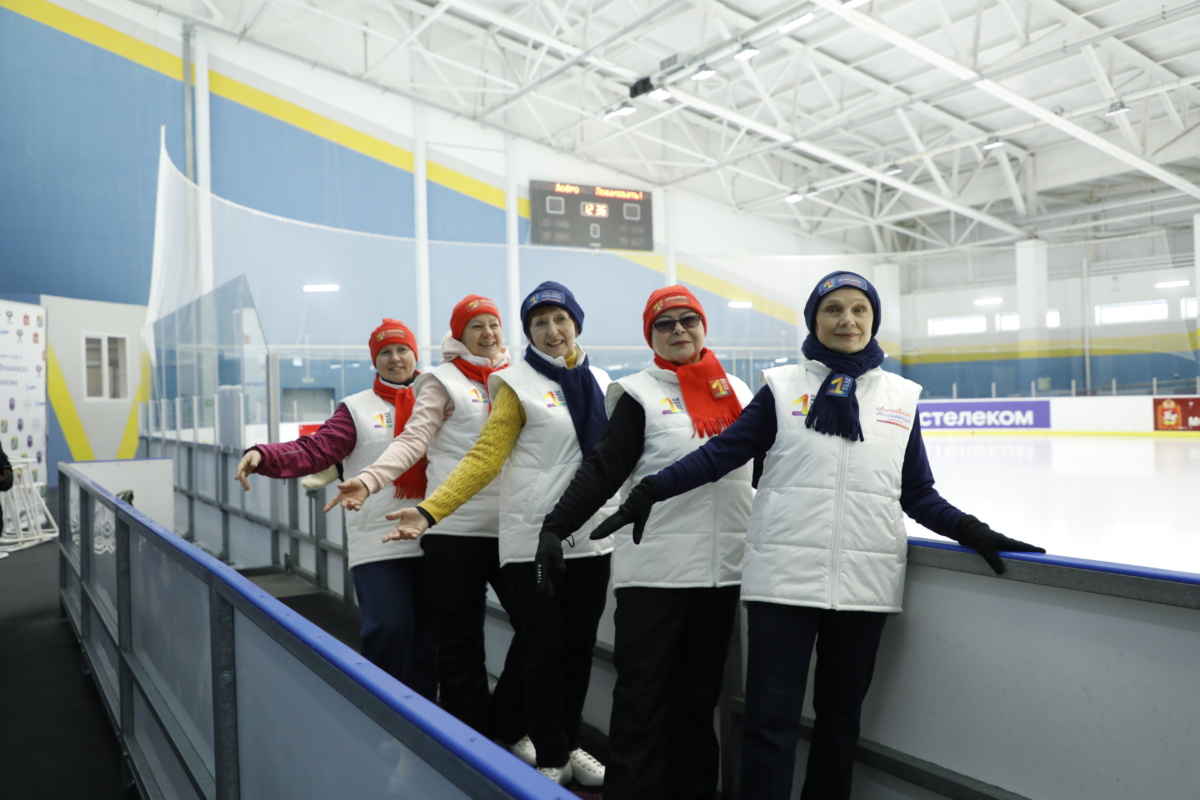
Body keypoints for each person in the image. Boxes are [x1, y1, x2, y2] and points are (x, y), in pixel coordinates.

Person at [591, 271, 1046, 800]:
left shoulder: (901, 397)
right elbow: (721, 454)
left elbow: (917, 492)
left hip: (864, 583)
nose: (847, 320)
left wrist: (972, 530)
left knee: (840, 724)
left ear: (873, 319)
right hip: (782, 584)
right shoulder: (783, 387)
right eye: (833, 310)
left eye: (859, 309)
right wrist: (651, 490)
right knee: (770, 722)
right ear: (814, 320)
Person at [385, 281, 612, 788]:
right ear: (528, 332)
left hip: (591, 535)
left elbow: (616, 457)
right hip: (533, 536)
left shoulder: (599, 379)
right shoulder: (513, 383)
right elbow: (484, 457)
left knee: (579, 648)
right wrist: (430, 511)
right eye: (539, 323)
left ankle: (569, 741)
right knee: (541, 647)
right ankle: (550, 751)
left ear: (576, 323)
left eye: (560, 319)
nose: (552, 331)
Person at [538, 285, 755, 800]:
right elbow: (604, 469)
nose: (678, 329)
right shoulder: (638, 394)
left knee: (698, 701)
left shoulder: (738, 392)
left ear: (703, 326)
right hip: (655, 574)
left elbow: (768, 470)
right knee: (643, 701)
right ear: (651, 335)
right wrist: (555, 526)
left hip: (722, 572)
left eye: (687, 319)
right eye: (665, 323)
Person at [321, 296, 527, 754]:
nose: (487, 333)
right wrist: (369, 480)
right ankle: (464, 736)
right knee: (450, 637)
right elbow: (411, 440)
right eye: (476, 326)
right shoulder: (441, 381)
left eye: (493, 324)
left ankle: (508, 722)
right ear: (459, 334)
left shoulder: (516, 378)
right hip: (452, 528)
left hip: (512, 525)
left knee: (537, 626)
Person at [233, 319, 437, 701]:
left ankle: (427, 718)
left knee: (431, 637)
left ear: (415, 354)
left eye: (402, 349)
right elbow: (315, 449)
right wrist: (263, 455)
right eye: (385, 352)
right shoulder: (357, 409)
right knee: (388, 629)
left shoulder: (438, 398)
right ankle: (381, 709)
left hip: (435, 533)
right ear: (374, 360)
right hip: (378, 539)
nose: (395, 358)